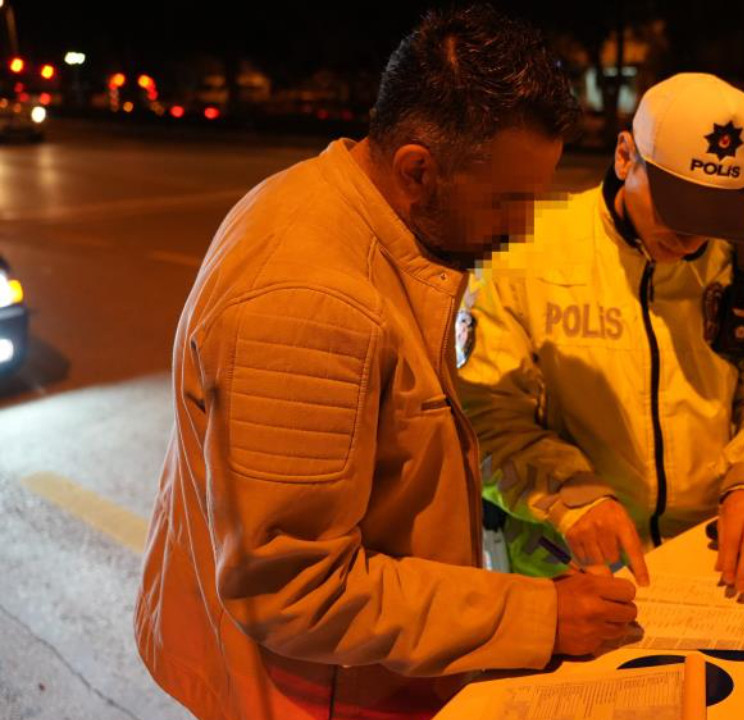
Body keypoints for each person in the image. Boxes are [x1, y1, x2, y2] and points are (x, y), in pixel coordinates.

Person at [134, 7, 636, 720]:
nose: (521, 228)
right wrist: (538, 616)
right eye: (507, 202)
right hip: (317, 691)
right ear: (418, 170)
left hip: (368, 672)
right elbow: (297, 593)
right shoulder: (307, 302)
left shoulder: (365, 212)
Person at [458, 73, 744, 596]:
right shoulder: (522, 255)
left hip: (708, 561)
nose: (690, 235)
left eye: (713, 212)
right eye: (675, 205)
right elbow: (482, 415)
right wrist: (573, 496)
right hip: (567, 569)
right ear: (625, 157)